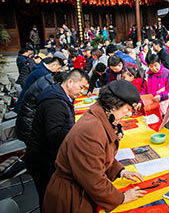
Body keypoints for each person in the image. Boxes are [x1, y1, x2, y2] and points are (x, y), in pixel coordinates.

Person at [43, 81, 146, 213]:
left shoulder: (100, 116)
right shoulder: (91, 129)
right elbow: (93, 179)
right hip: (71, 196)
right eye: (128, 109)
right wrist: (121, 198)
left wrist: (121, 171)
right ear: (115, 105)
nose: (128, 114)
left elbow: (98, 155)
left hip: (80, 187)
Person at [25, 69, 89, 210]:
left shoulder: (58, 94)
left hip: (44, 155)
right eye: (81, 87)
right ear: (70, 82)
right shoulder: (55, 103)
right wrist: (79, 132)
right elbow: (54, 135)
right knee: (50, 198)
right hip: (43, 159)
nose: (82, 92)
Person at [16, 72, 67, 145]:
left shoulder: (46, 80)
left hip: (28, 120)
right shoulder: (47, 88)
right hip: (29, 126)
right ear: (59, 83)